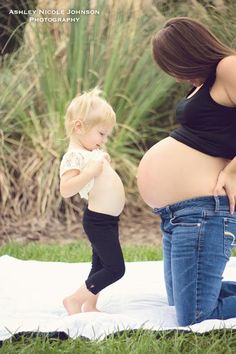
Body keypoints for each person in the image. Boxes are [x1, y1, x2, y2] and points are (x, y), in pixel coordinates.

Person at [137, 17, 236, 326]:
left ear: (188, 53)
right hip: (178, 214)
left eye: (174, 67)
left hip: (203, 210)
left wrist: (234, 171)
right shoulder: (204, 83)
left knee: (195, 315)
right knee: (179, 301)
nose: (176, 77)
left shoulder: (227, 66)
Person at [59, 88, 125, 315]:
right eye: (101, 134)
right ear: (79, 127)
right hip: (98, 220)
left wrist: (100, 160)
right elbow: (66, 189)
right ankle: (74, 300)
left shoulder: (89, 153)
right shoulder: (74, 156)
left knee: (100, 264)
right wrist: (89, 171)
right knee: (115, 268)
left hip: (108, 219)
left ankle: (90, 304)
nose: (104, 140)